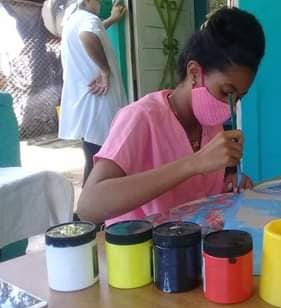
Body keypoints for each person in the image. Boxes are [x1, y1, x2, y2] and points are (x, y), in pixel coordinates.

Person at [77, 7, 265, 225]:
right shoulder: (140, 118)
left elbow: (195, 195)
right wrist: (193, 163)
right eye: (226, 92)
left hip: (194, 248)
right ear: (194, 72)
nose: (231, 108)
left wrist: (229, 183)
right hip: (143, 252)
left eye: (239, 98)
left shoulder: (210, 125)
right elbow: (89, 206)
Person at [58, 0, 128, 186]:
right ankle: (87, 209)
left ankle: (85, 210)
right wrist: (105, 71)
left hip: (87, 100)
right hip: (99, 100)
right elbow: (87, 36)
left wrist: (111, 19)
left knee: (92, 156)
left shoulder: (74, 19)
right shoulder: (88, 21)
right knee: (101, 161)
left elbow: (92, 32)